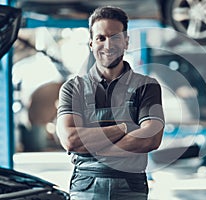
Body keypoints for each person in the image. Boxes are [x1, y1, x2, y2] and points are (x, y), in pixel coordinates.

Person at [56, 6, 165, 200]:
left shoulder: (146, 86)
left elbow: (151, 138)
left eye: (115, 37)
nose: (108, 45)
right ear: (91, 43)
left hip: (130, 187)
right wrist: (124, 127)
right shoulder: (73, 88)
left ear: (126, 42)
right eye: (101, 38)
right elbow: (71, 139)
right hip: (85, 187)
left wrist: (94, 147)